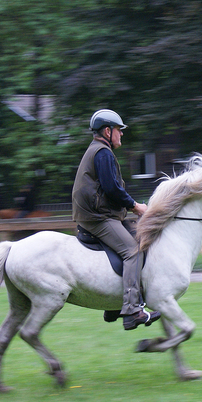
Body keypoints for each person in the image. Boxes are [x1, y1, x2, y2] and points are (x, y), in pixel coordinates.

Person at [72, 109, 161, 330]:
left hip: (104, 214)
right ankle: (132, 310)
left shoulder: (99, 151)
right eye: (119, 130)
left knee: (142, 239)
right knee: (132, 251)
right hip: (98, 218)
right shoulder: (102, 153)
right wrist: (135, 206)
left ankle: (113, 304)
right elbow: (112, 188)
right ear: (107, 131)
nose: (121, 134)